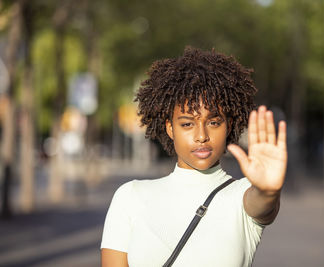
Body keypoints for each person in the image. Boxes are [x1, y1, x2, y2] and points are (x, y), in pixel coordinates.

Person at [101, 47, 287, 267]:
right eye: (187, 124)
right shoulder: (130, 197)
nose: (201, 136)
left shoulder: (243, 196)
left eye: (213, 122)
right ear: (170, 129)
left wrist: (268, 191)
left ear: (228, 126)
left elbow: (262, 205)